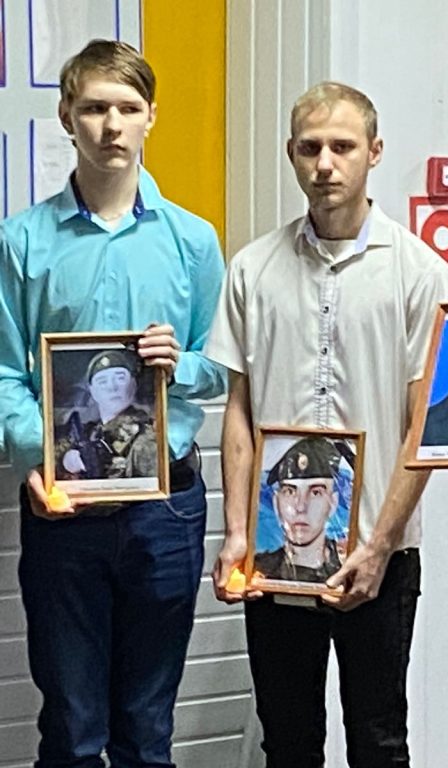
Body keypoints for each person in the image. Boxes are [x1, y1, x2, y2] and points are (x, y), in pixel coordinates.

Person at [205, 81, 448, 768]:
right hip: (275, 556)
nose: (325, 164)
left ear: (374, 152)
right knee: (288, 743)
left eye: (342, 147)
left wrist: (379, 546)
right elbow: (239, 413)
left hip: (380, 554)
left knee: (379, 741)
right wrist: (235, 533)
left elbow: (424, 426)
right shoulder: (253, 269)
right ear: (290, 153)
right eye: (310, 148)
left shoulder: (420, 273)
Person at [0, 39, 225, 767]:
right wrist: (40, 458)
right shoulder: (20, 242)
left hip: (167, 506)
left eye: (128, 108)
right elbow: (4, 375)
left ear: (151, 116)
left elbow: (223, 370)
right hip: (63, 510)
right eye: (95, 107)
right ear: (67, 115)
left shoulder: (194, 241)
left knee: (146, 729)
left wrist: (181, 364)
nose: (112, 125)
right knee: (71, 729)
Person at [254, 436, 350, 584]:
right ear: (275, 503)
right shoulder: (259, 571)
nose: (300, 507)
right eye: (290, 491)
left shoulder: (348, 567)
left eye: (315, 492)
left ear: (333, 503)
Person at [55, 349, 157, 480]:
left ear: (133, 384)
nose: (112, 387)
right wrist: (66, 460)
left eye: (120, 378)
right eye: (102, 381)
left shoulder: (145, 436)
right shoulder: (90, 432)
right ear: (93, 391)